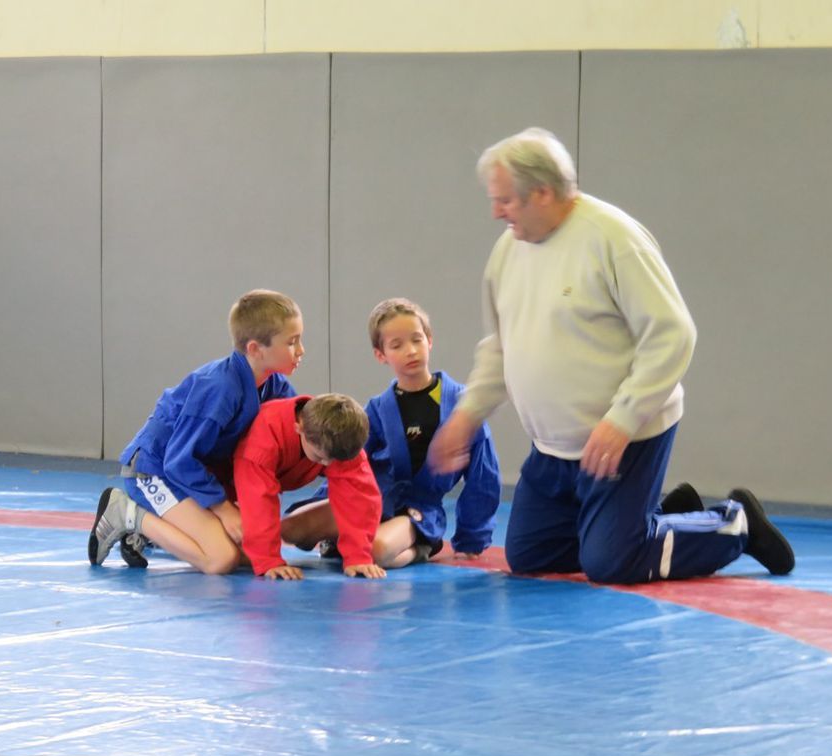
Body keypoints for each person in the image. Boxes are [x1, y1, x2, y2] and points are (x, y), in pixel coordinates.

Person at [427, 127, 794, 584]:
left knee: (610, 564)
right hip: (553, 448)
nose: (496, 211)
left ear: (542, 193)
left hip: (624, 437)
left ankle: (733, 524)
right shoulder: (509, 248)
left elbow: (673, 334)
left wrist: (623, 418)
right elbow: (501, 346)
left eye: (505, 200)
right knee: (530, 555)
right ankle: (649, 522)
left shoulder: (614, 239)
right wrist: (466, 416)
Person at [88, 288, 304, 574]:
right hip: (154, 471)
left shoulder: (277, 387)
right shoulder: (218, 388)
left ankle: (161, 530)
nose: (301, 351)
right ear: (255, 349)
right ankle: (127, 514)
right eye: (292, 343)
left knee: (249, 553)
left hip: (190, 475)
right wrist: (224, 510)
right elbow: (178, 461)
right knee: (220, 560)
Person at [360, 298, 501, 568]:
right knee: (298, 528)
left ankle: (422, 547)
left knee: (376, 551)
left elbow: (483, 478)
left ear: (430, 340)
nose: (410, 351)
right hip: (375, 506)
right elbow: (350, 464)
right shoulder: (378, 409)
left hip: (420, 512)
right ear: (381, 355)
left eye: (416, 340)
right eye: (397, 345)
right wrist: (326, 503)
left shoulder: (463, 406)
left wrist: (472, 538)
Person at [235, 393, 385, 580]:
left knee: (289, 531)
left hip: (267, 473)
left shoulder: (339, 437)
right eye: (320, 457)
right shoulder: (264, 439)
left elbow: (359, 497)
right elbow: (258, 501)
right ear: (299, 428)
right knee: (226, 556)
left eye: (333, 459)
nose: (328, 464)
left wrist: (358, 557)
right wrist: (268, 561)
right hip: (217, 487)